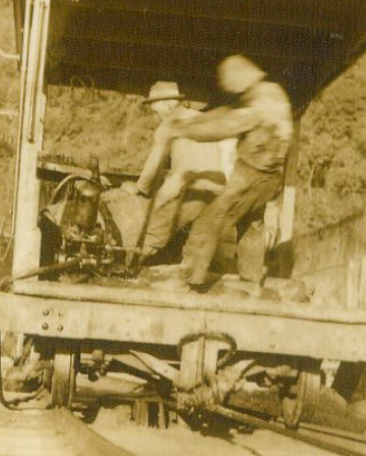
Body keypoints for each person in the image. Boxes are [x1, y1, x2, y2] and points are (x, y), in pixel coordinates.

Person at [158, 55, 293, 288]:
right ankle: (251, 280)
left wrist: (181, 129)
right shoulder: (272, 92)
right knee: (252, 224)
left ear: (240, 83)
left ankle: (190, 279)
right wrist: (192, 122)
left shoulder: (261, 101)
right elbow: (224, 113)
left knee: (212, 219)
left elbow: (223, 126)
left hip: (253, 174)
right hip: (270, 178)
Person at [123, 81, 237, 261]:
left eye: (155, 110)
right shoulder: (201, 118)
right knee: (211, 249)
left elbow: (154, 162)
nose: (156, 115)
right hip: (218, 190)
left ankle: (127, 273)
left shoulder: (170, 124)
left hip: (190, 190)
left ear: (165, 103)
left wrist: (140, 188)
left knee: (150, 237)